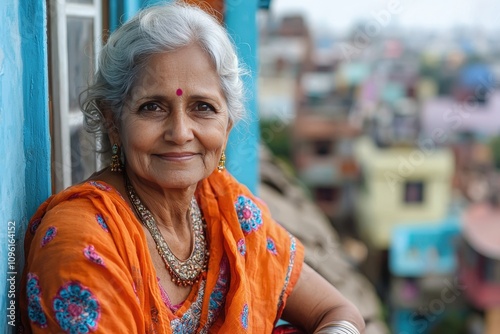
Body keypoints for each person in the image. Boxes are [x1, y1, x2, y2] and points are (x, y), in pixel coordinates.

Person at [19, 2, 364, 333]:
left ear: (227, 124)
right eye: (152, 107)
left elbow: (338, 312)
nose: (180, 133)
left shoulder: (228, 211)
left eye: (203, 107)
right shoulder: (81, 239)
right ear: (113, 122)